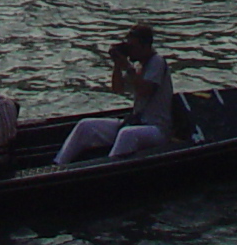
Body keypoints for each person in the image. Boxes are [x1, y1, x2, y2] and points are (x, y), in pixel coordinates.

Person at [53, 24, 174, 165]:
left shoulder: (157, 62)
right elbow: (118, 88)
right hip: (135, 122)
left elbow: (145, 90)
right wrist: (117, 64)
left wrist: (128, 67)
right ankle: (59, 165)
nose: (131, 52)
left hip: (156, 129)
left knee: (127, 134)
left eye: (133, 47)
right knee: (85, 126)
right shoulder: (138, 67)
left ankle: (106, 169)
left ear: (145, 46)